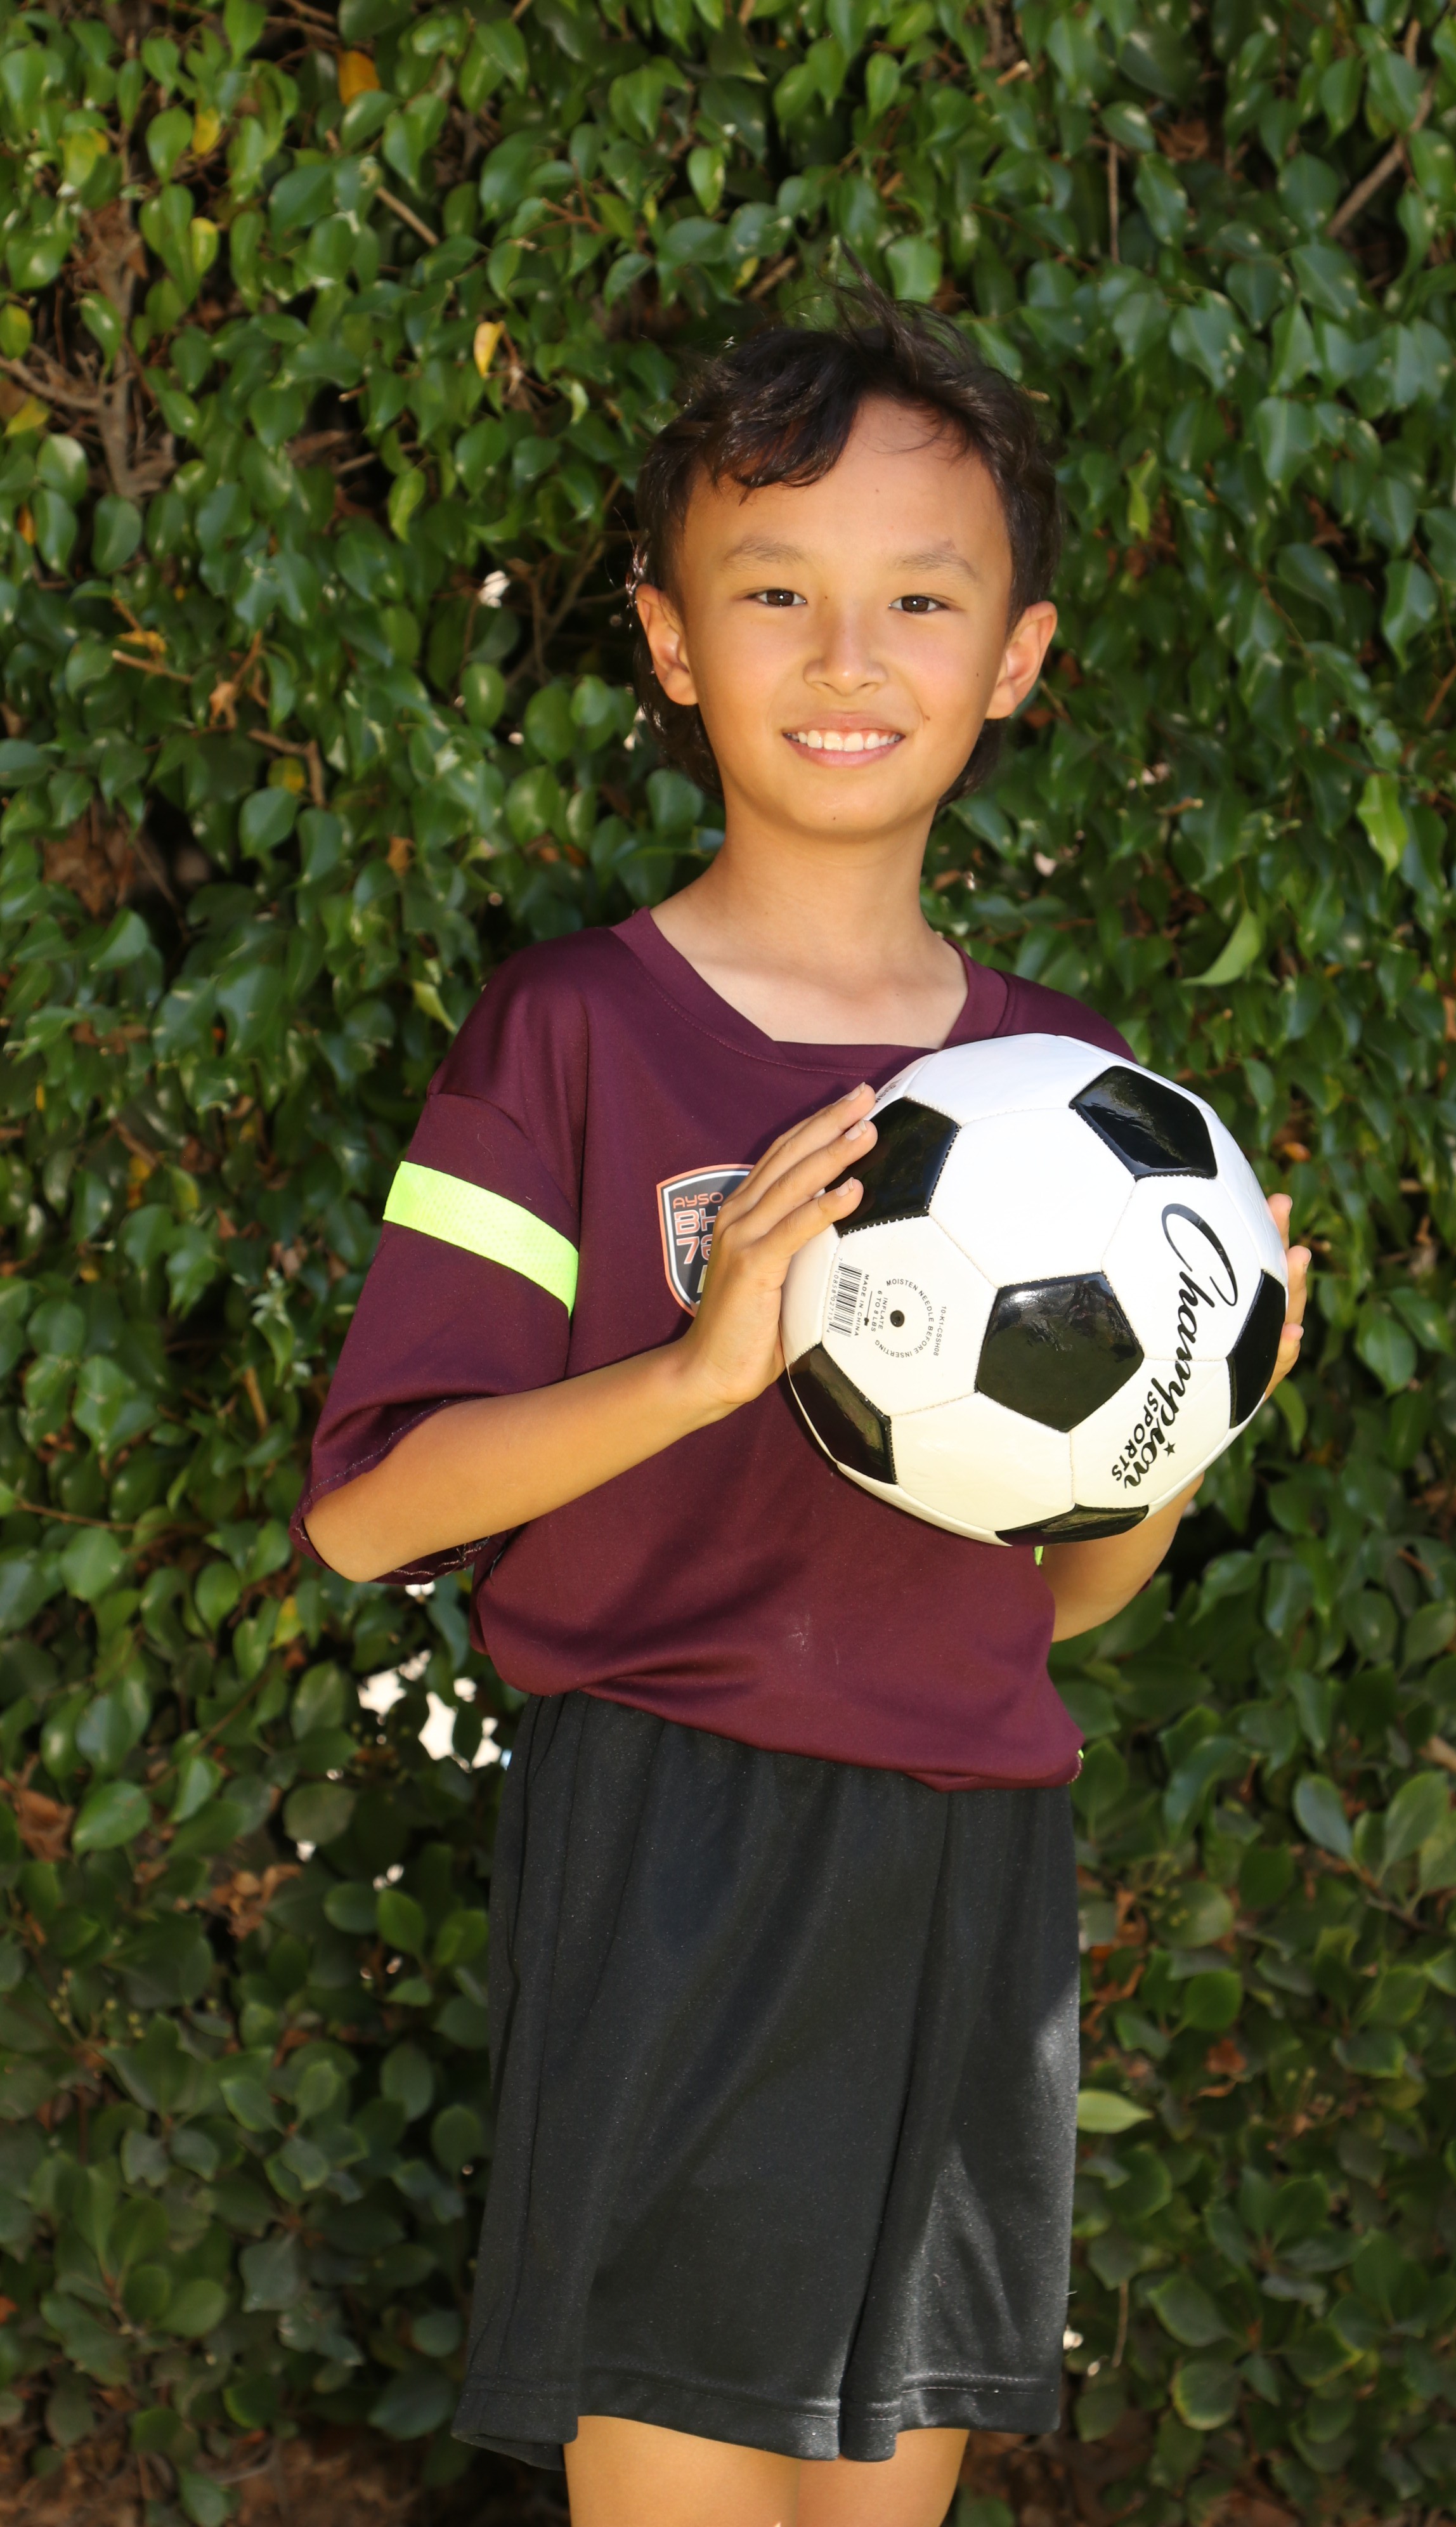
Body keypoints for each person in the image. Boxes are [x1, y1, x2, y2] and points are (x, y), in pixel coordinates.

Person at [297, 289, 1310, 2527]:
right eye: (777, 594)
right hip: (676, 1852)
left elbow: (1058, 1607)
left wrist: (1181, 1428)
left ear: (1018, 658)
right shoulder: (569, 1036)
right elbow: (370, 1514)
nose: (850, 657)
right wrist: (695, 1371)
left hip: (967, 1872)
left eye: (920, 602)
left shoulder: (1075, 1098)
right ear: (672, 643)